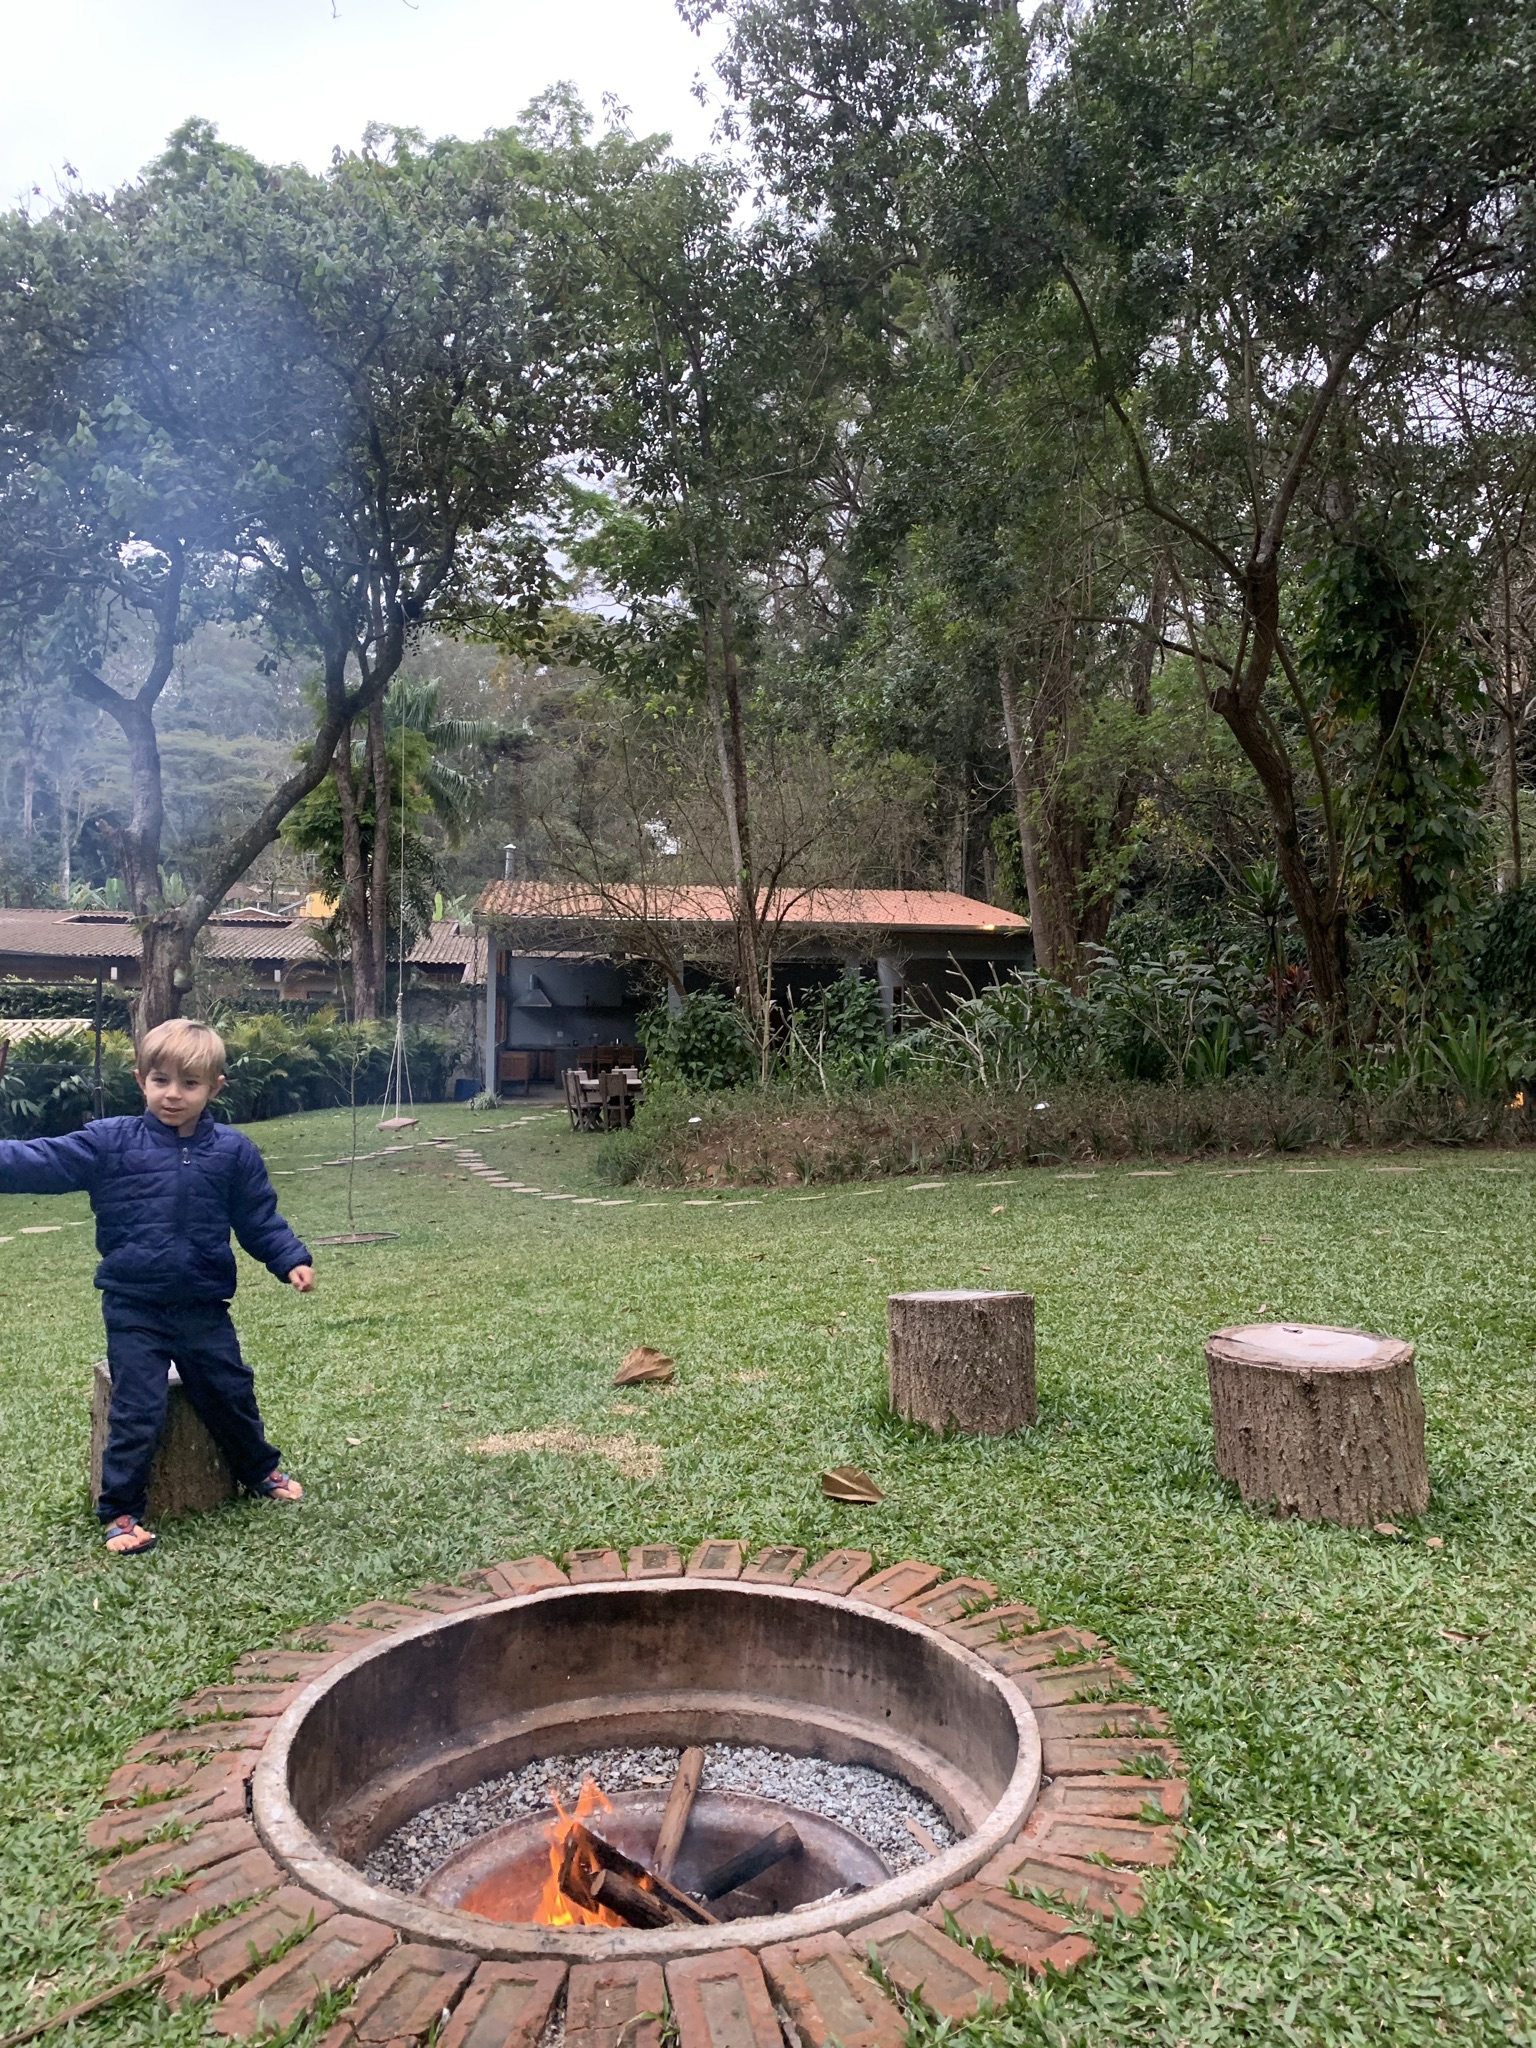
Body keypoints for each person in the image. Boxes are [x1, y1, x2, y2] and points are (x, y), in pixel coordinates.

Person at [0, 1018, 313, 1556]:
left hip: (203, 1307)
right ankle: (120, 1512)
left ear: (215, 1087)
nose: (173, 1094)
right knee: (138, 1408)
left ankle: (260, 1471)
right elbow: (38, 1161)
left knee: (231, 1391)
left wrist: (289, 1259)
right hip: (133, 1307)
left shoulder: (234, 1153)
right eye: (160, 1080)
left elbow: (258, 1218)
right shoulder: (108, 1142)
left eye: (189, 1084)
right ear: (140, 1078)